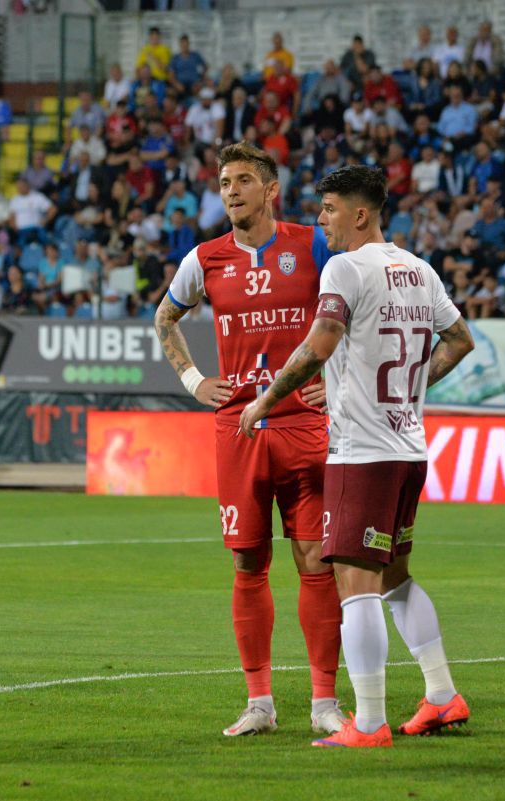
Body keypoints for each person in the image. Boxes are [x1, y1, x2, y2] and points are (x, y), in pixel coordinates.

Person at [238, 165, 475, 748]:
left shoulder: (345, 267)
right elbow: (460, 339)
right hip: (408, 448)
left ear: (360, 214)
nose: (321, 220)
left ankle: (368, 722)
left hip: (362, 453)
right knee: (394, 576)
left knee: (354, 582)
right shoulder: (419, 270)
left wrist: (265, 399)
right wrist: (413, 391)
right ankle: (442, 697)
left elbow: (320, 344)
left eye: (329, 209)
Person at [153, 143, 346, 738]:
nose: (231, 191)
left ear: (270, 189)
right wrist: (192, 380)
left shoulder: (312, 245)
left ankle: (323, 703)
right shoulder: (204, 259)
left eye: (242, 180)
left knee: (315, 558)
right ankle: (259, 703)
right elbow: (165, 317)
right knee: (247, 559)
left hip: (304, 426)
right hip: (237, 428)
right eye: (223, 182)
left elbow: (354, 314)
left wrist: (335, 385)